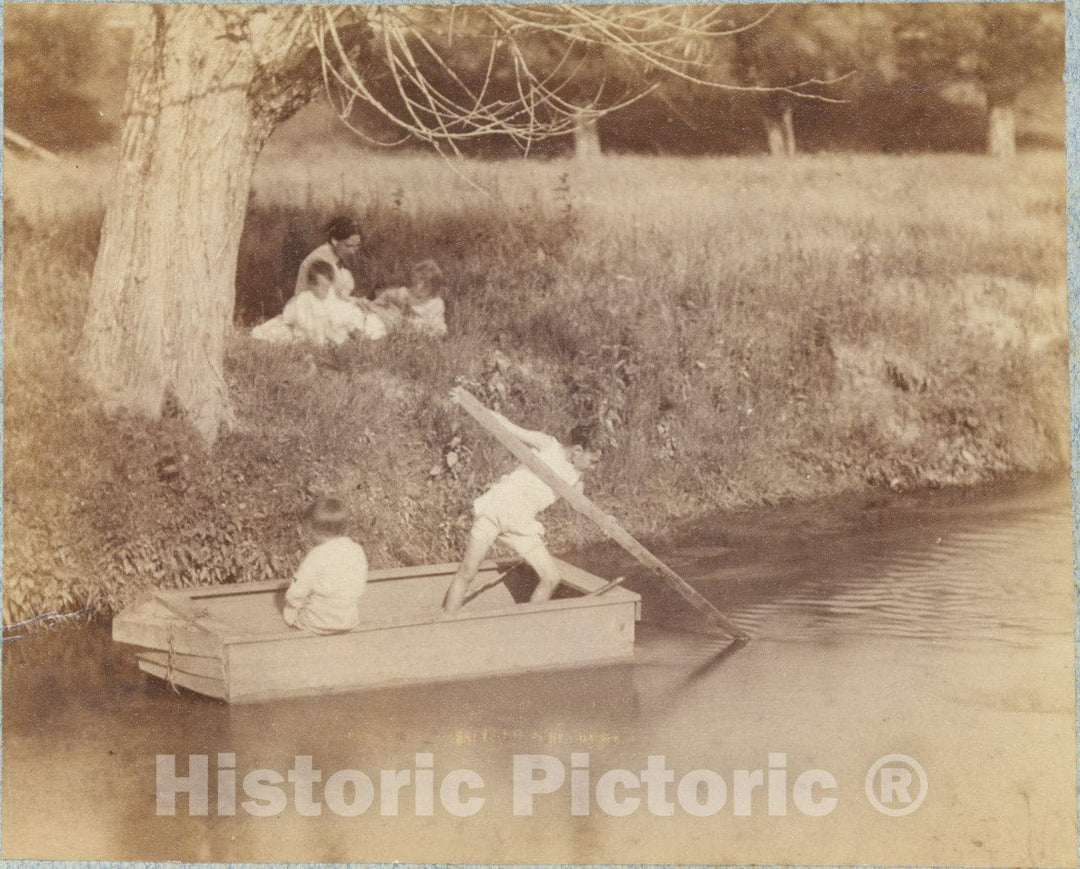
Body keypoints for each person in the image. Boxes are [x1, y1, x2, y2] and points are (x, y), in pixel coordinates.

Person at [442, 388, 603, 613]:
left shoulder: (576, 480)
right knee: (468, 571)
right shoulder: (548, 445)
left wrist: (607, 520)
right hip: (499, 505)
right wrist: (467, 402)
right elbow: (506, 426)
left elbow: (582, 506)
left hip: (519, 520)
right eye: (593, 461)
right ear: (577, 450)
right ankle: (446, 625)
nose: (594, 467)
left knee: (551, 578)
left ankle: (525, 629)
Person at [283, 497, 369, 634]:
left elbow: (296, 591)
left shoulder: (316, 555)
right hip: (348, 619)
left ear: (313, 530)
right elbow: (360, 585)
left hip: (317, 622)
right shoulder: (356, 550)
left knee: (290, 611)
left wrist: (292, 606)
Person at [252, 259, 386, 345]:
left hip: (333, 324)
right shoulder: (305, 299)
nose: (325, 291)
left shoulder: (330, 297)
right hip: (313, 328)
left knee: (351, 322)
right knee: (282, 330)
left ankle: (358, 336)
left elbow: (338, 310)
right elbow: (290, 317)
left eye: (327, 286)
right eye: (322, 287)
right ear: (311, 285)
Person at [367, 259, 448, 338]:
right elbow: (379, 303)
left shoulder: (436, 303)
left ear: (433, 287)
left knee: (436, 329)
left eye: (426, 284)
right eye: (416, 281)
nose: (419, 286)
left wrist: (427, 327)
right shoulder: (403, 294)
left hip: (420, 332)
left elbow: (437, 324)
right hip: (398, 327)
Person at [294, 216, 364, 301]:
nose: (353, 251)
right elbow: (322, 297)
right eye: (348, 245)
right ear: (334, 241)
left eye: (357, 245)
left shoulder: (339, 255)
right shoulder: (319, 259)